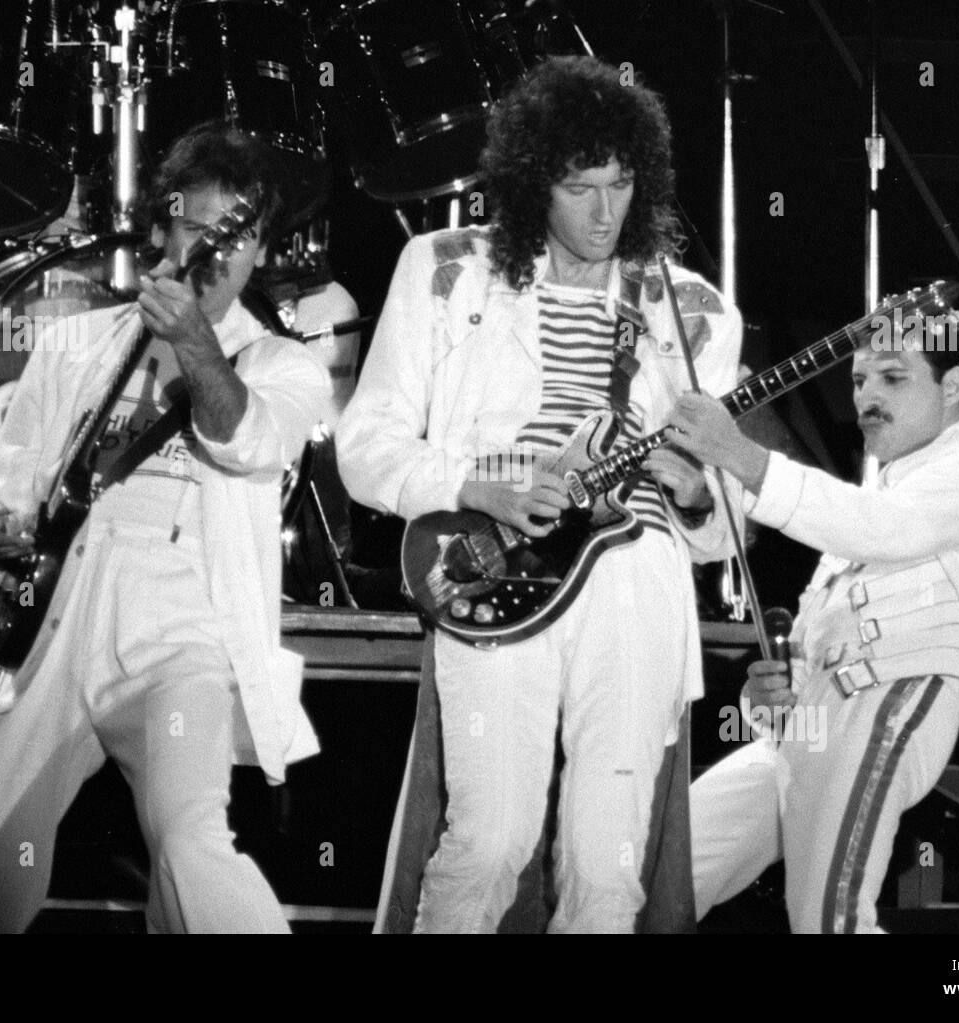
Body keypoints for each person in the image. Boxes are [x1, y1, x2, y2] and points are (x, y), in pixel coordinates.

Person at [337, 56, 744, 933]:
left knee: (606, 868)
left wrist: (699, 497)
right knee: (488, 843)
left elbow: (724, 529)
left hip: (633, 581)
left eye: (622, 182)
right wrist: (472, 485)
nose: (606, 213)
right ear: (530, 186)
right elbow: (364, 446)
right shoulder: (444, 269)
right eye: (579, 187)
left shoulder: (695, 312)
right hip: (496, 567)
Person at [0, 124, 335, 933]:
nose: (213, 252)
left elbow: (248, 441)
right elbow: (10, 499)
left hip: (182, 637)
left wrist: (195, 343)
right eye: (195, 226)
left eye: (234, 237)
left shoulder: (283, 365)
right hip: (53, 631)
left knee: (189, 841)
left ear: (260, 252)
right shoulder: (69, 346)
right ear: (162, 230)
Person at [670, 323, 959, 933]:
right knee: (663, 875)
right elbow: (823, 627)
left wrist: (736, 452)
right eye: (860, 380)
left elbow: (880, 528)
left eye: (894, 377)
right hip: (807, 730)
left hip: (887, 700)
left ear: (952, 385)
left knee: (828, 920)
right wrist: (767, 698)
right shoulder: (879, 490)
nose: (868, 396)